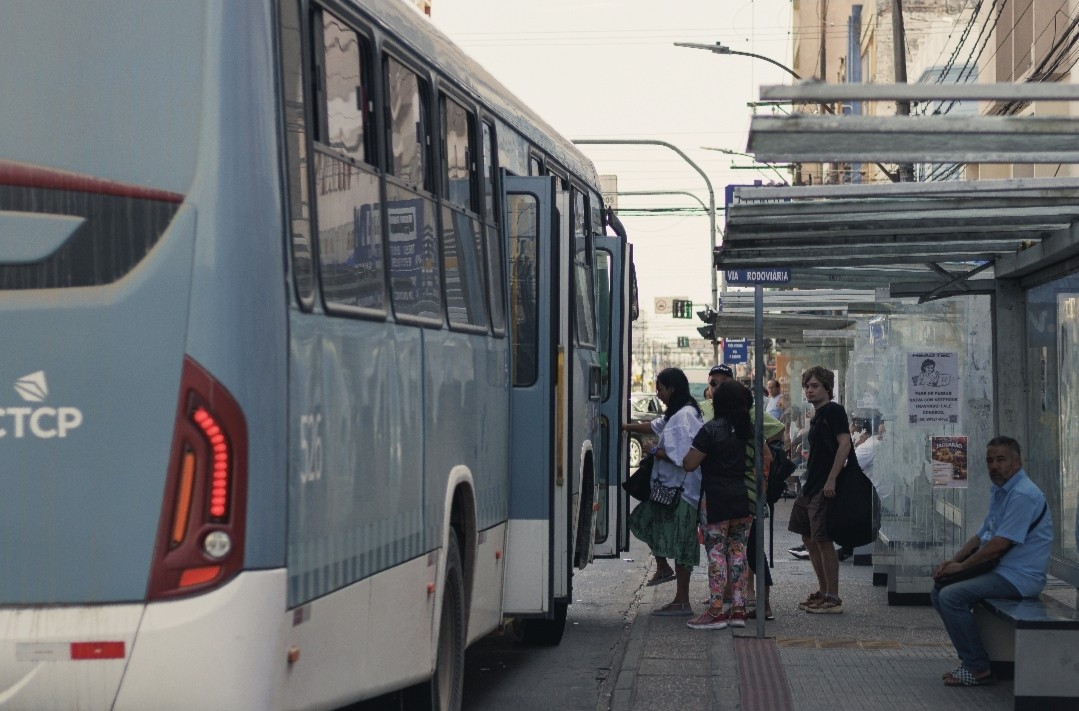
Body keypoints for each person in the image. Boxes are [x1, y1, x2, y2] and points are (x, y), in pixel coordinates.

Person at [931, 436, 1051, 687]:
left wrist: (962, 567)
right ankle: (972, 659)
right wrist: (952, 561)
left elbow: (998, 545)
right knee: (939, 589)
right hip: (1001, 570)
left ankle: (976, 667)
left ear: (1017, 463)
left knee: (951, 596)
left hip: (1020, 577)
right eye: (990, 461)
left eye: (1001, 460)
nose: (994, 466)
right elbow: (981, 536)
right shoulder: (1001, 491)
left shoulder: (1023, 495)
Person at [621, 368, 704, 616]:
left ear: (672, 388)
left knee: (682, 544)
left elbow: (684, 457)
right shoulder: (677, 413)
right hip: (666, 489)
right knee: (642, 521)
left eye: (660, 389)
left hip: (682, 492)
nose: (658, 394)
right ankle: (663, 568)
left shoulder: (684, 416)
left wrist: (655, 451)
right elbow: (653, 426)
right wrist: (623, 426)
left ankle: (682, 600)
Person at [681, 379, 754, 629]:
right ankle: (739, 609)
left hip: (715, 499)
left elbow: (690, 463)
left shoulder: (712, 429)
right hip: (743, 498)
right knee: (738, 553)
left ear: (718, 402)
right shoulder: (748, 430)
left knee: (716, 553)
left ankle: (715, 610)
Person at [787, 366, 850, 614]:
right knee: (807, 536)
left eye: (815, 386)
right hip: (811, 485)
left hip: (823, 486)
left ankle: (832, 597)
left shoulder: (833, 410)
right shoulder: (818, 414)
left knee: (823, 540)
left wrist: (832, 479)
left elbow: (844, 444)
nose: (809, 390)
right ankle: (823, 591)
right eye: (807, 386)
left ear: (827, 388)